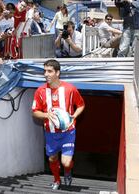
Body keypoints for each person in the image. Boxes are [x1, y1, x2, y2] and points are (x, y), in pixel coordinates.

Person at [32, 59, 85, 190]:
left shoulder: (70, 89)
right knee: (52, 159)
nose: (46, 74)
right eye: (44, 71)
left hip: (68, 132)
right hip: (50, 133)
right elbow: (35, 112)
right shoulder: (40, 91)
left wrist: (74, 116)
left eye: (49, 71)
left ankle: (67, 171)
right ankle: (57, 180)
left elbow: (81, 105)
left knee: (66, 162)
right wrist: (46, 115)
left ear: (57, 73)